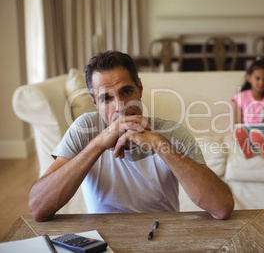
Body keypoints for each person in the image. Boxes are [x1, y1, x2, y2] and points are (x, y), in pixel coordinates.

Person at [29, 50, 234, 221]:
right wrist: (99, 143)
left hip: (162, 236)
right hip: (102, 240)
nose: (119, 107)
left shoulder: (171, 132)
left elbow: (222, 207)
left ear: (140, 89)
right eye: (106, 98)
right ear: (95, 103)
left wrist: (159, 143)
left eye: (126, 92)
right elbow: (38, 208)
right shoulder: (85, 129)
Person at [231, 59, 264, 159]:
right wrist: (239, 129)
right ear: (249, 78)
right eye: (258, 78)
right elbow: (236, 121)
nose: (261, 82)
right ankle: (247, 148)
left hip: (262, 131)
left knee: (261, 133)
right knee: (241, 131)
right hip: (245, 130)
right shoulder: (241, 97)